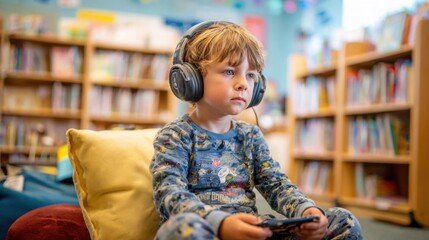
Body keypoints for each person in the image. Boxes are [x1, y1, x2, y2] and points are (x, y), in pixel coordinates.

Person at [150, 20, 363, 240]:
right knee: (183, 229)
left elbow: (275, 184)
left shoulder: (250, 136)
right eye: (230, 71)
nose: (243, 83)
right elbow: (169, 195)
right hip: (207, 230)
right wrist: (221, 224)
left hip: (251, 232)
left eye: (251, 75)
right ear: (191, 78)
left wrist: (305, 210)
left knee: (342, 220)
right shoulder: (175, 136)